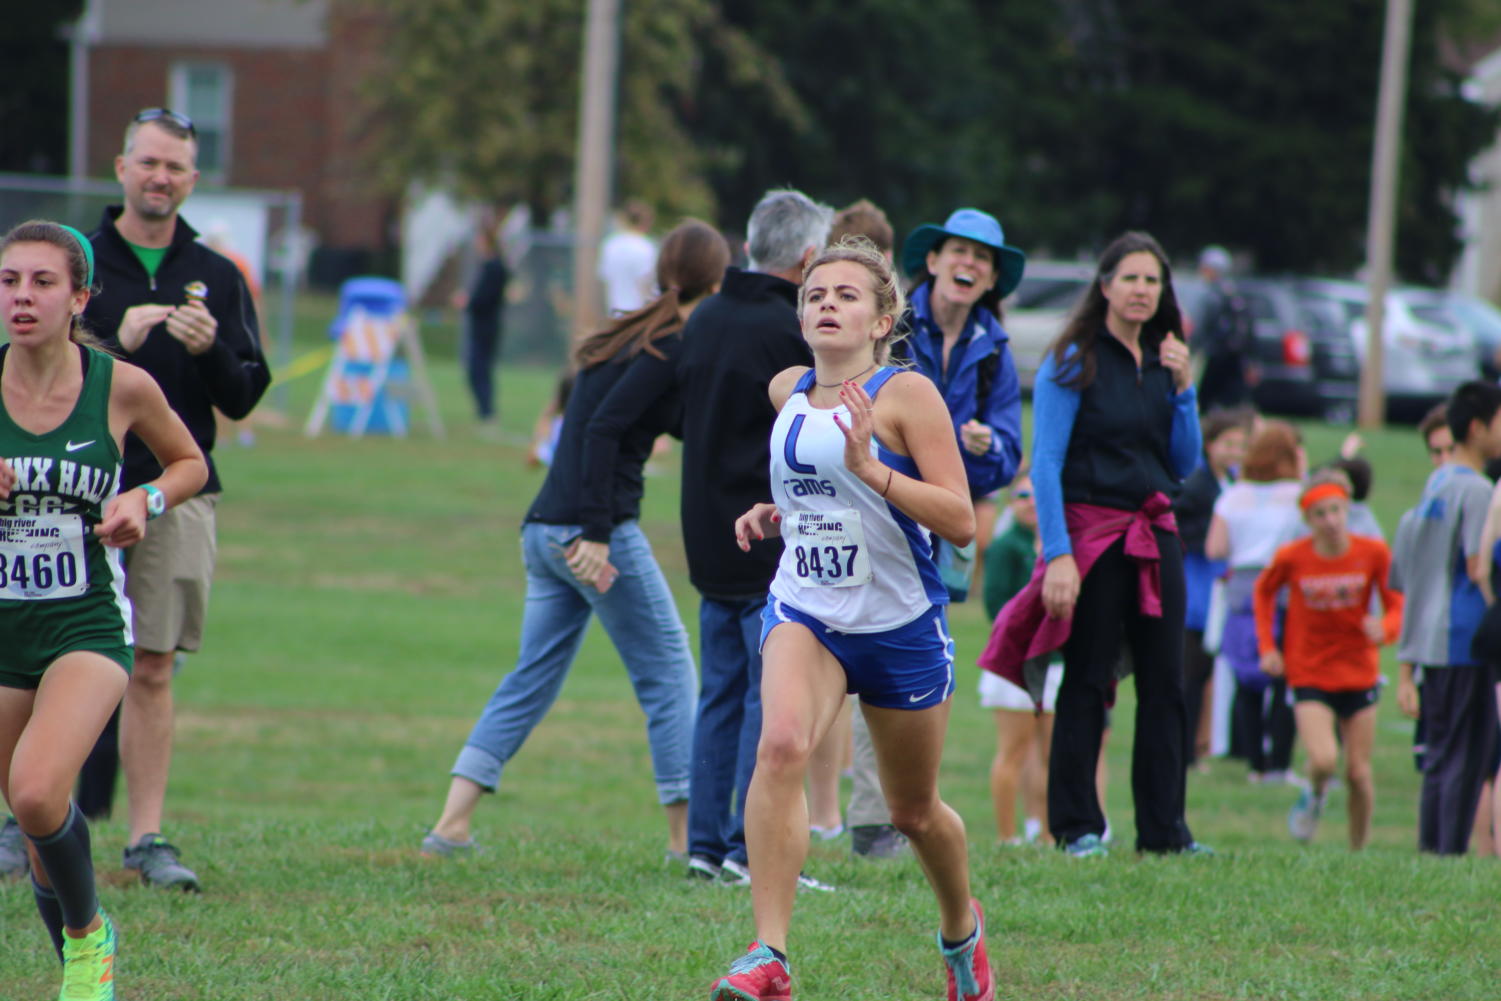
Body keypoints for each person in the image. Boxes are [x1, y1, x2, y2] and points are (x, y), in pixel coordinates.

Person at [711, 237, 991, 1001]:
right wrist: (780, 511)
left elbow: (960, 520)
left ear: (881, 318)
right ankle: (768, 953)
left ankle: (960, 932)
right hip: (806, 606)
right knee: (780, 744)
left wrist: (873, 471)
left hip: (897, 623)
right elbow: (814, 486)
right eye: (814, 294)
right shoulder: (786, 390)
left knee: (912, 810)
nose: (826, 304)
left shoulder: (906, 395)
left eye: (845, 295)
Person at [419, 221, 723, 860]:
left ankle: (450, 827)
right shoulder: (666, 345)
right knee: (669, 671)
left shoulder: (630, 333)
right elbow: (604, 430)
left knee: (531, 677)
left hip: (541, 532)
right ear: (716, 281)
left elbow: (655, 422)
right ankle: (684, 843)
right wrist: (597, 534)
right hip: (589, 538)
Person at [1, 220, 207, 1001]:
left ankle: (89, 944)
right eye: (10, 280)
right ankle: (82, 965)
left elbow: (190, 462)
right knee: (46, 821)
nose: (22, 297)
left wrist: (143, 497)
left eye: (42, 282)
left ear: (79, 296)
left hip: (84, 620)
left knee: (34, 792)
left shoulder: (119, 384)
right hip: (3, 625)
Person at [75, 107, 270, 891]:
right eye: (147, 162)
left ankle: (146, 838)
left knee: (152, 664)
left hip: (176, 491)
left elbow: (247, 394)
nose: (160, 178)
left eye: (175, 168)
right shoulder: (77, 260)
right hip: (77, 486)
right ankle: (26, 823)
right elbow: (30, 358)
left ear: (193, 179)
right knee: (44, 656)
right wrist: (111, 334)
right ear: (121, 166)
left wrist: (210, 347)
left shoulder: (217, 274)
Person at [979, 231, 1204, 858]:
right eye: (1129, 278)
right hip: (1092, 536)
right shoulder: (1072, 358)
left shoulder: (1167, 363)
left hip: (1155, 533)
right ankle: (1076, 827)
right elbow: (1045, 465)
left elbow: (1184, 462)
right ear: (1104, 285)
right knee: (1087, 680)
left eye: (1152, 281)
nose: (1141, 290)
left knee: (1167, 683)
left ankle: (1166, 832)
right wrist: (1058, 554)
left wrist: (1185, 393)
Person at [676, 189, 832, 886]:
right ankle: (750, 845)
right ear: (806, 258)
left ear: (747, 244)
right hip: (768, 534)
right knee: (766, 698)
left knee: (719, 691)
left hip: (703, 530)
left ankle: (705, 844)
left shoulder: (704, 316)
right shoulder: (787, 332)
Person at [1255, 470, 1402, 849]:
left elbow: (1397, 604)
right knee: (1322, 760)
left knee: (1358, 773)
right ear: (1308, 520)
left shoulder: (1373, 552)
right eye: (1321, 513)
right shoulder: (1293, 556)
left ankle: (1358, 851)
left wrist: (1384, 628)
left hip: (1359, 671)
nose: (1331, 520)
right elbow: (1263, 593)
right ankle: (1314, 794)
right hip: (1310, 670)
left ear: (1348, 509)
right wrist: (1268, 647)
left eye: (1337, 510)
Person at [1391, 380, 1501, 854]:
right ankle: (1447, 856)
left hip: (1433, 636)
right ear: (1477, 429)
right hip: (1464, 635)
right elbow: (1479, 564)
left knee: (1440, 756)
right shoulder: (1477, 489)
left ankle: (1430, 850)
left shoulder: (1437, 481)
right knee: (1465, 755)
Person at [1206, 422, 1305, 784]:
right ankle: (1280, 763)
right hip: (1283, 588)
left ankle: (1254, 764)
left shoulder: (1233, 496)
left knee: (1247, 678)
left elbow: (1215, 548)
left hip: (1242, 589)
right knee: (1285, 678)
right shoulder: (1297, 495)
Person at [980, 470, 1059, 845]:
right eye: (1023, 495)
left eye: (1037, 495)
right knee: (1014, 751)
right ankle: (1006, 834)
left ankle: (1043, 829)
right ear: (1011, 502)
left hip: (1054, 661)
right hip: (1016, 663)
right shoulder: (1006, 546)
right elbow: (996, 605)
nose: (1031, 503)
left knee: (1048, 754)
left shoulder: (1058, 547)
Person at [1174, 408, 1250, 768]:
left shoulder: (1235, 482)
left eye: (1241, 445)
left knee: (1209, 675)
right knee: (1191, 674)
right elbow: (1177, 525)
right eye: (1228, 444)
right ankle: (1185, 752)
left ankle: (1206, 745)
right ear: (1210, 444)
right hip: (1196, 591)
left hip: (1221, 589)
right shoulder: (1197, 484)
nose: (1235, 452)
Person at [452, 221, 509, 426]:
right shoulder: (488, 265)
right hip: (481, 324)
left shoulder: (494, 267)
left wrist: (467, 302)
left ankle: (487, 411)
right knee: (476, 368)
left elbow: (485, 298)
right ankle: (483, 410)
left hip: (486, 325)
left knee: (479, 367)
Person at [1190, 245, 1254, 411]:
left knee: (1205, 402)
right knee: (1232, 405)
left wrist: (1192, 348)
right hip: (1235, 359)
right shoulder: (1236, 292)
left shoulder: (1213, 295)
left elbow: (1203, 327)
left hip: (1215, 357)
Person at [598, 200, 657, 315]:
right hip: (638, 313)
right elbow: (646, 284)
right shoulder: (645, 246)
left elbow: (605, 282)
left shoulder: (610, 244)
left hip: (614, 312)